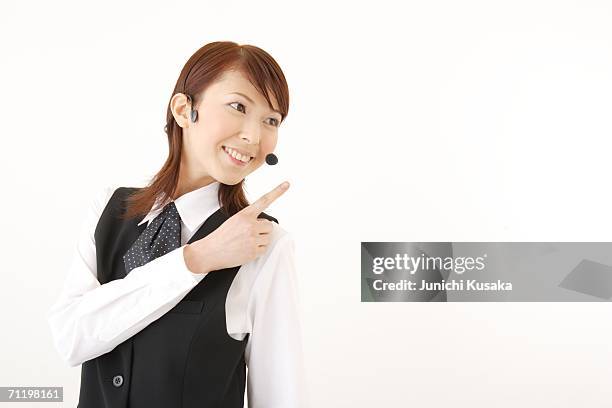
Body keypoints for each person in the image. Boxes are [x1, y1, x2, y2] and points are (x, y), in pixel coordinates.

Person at [46, 41, 307, 408]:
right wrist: (194, 259)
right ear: (185, 110)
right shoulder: (109, 208)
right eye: (238, 106)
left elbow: (281, 396)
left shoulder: (266, 243)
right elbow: (70, 338)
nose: (254, 136)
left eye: (271, 120)